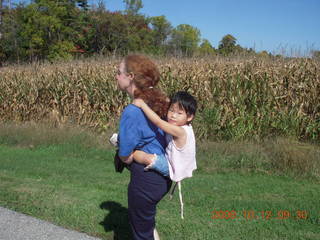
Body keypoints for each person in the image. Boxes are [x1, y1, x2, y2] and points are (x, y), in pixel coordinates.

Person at [115, 54, 172, 240]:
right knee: (147, 226)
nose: (116, 76)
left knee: (141, 235)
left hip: (146, 180)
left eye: (118, 72)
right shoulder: (162, 102)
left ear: (130, 76)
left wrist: (131, 152)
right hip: (163, 176)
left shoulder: (132, 111)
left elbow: (125, 156)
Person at [132, 91, 197, 219]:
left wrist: (142, 105)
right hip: (173, 164)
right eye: (171, 110)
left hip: (171, 168)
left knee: (146, 157)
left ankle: (129, 152)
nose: (173, 115)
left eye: (179, 113)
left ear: (189, 117)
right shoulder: (180, 125)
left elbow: (159, 123)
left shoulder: (180, 131)